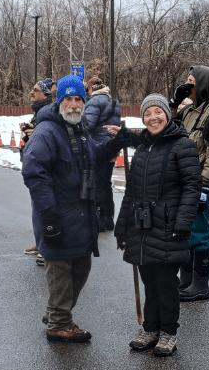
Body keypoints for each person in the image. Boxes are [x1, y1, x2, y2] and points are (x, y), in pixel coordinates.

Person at [22, 74, 130, 343]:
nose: (73, 104)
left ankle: (54, 311)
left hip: (81, 214)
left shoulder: (79, 129)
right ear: (59, 101)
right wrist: (48, 215)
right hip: (57, 213)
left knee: (80, 267)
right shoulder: (47, 131)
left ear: (84, 102)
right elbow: (33, 172)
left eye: (78, 99)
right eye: (68, 99)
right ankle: (59, 324)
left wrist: (117, 143)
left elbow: (94, 155)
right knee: (60, 269)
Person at [115, 94, 201, 356]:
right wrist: (122, 226)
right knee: (148, 280)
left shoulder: (182, 145)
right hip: (142, 227)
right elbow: (131, 191)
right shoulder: (143, 148)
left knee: (166, 283)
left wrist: (183, 222)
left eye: (157, 112)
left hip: (168, 225)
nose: (153, 118)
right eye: (147, 113)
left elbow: (192, 186)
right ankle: (150, 328)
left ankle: (168, 332)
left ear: (167, 113)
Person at [168, 65, 209, 302]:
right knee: (184, 231)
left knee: (199, 231)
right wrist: (175, 104)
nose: (188, 83)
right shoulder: (191, 110)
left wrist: (205, 184)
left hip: (197, 182)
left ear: (203, 84)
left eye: (192, 81)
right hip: (182, 181)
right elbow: (171, 132)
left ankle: (201, 285)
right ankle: (186, 280)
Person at [21, 78, 55, 264]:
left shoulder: (48, 112)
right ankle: (40, 242)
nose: (31, 93)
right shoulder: (39, 112)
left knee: (45, 207)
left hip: (46, 170)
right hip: (38, 167)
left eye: (35, 90)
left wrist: (36, 136)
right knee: (36, 208)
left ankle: (47, 246)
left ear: (46, 94)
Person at [82, 77, 121, 232]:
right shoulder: (114, 102)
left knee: (97, 182)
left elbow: (88, 124)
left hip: (98, 147)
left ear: (91, 88)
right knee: (106, 183)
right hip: (112, 148)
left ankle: (99, 220)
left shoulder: (94, 101)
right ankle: (109, 219)